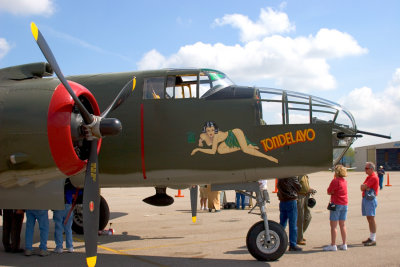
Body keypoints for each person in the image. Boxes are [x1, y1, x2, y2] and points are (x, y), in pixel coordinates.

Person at [191, 121, 278, 163]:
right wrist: (200, 141)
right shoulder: (203, 135)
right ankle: (244, 145)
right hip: (228, 140)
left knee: (246, 150)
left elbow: (212, 151)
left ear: (215, 130)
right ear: (205, 131)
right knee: (220, 150)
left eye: (213, 130)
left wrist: (198, 149)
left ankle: (267, 157)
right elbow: (202, 137)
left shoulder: (216, 136)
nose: (211, 132)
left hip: (234, 134)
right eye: (208, 130)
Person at [323, 165, 348, 251]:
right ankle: (344, 243)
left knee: (333, 226)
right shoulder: (344, 181)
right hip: (344, 203)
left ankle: (333, 244)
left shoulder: (335, 181)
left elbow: (329, 191)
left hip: (336, 203)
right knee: (343, 225)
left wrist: (332, 192)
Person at [277, 177, 302, 251]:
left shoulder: (280, 177)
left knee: (282, 223)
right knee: (293, 224)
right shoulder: (292, 176)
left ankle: (279, 241)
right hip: (291, 200)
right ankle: (293, 244)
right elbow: (299, 187)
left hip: (282, 200)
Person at [53, 178, 77, 253]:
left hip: (58, 206)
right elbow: (77, 192)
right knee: (68, 228)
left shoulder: (56, 184)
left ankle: (59, 247)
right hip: (68, 207)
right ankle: (70, 247)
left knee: (58, 228)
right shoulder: (70, 184)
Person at [361, 162, 379, 246]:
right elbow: (362, 187)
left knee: (371, 219)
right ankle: (371, 237)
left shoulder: (373, 177)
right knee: (369, 218)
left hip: (370, 200)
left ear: (371, 169)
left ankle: (373, 239)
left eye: (366, 168)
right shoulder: (368, 177)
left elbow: (363, 186)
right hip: (366, 199)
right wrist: (365, 187)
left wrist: (366, 187)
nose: (365, 170)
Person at [297, 175, 315, 245]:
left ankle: (300, 234)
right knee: (300, 218)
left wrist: (310, 189)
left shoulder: (305, 175)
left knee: (308, 217)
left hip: (306, 196)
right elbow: (295, 186)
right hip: (300, 196)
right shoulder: (298, 174)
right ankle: (298, 238)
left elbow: (306, 186)